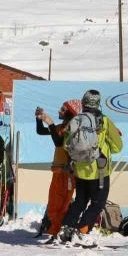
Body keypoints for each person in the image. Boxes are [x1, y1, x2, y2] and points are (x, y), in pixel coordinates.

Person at [59, 90, 123, 245]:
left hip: (80, 170)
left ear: (83, 102)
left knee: (80, 201)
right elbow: (117, 147)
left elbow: (66, 144)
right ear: (98, 103)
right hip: (100, 171)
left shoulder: (76, 120)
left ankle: (67, 228)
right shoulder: (105, 121)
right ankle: (82, 231)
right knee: (98, 203)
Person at [35, 100, 81, 241]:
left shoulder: (70, 128)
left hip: (65, 172)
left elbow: (58, 142)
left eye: (62, 109)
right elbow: (41, 131)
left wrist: (50, 122)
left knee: (58, 204)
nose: (59, 111)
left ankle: (57, 232)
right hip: (61, 172)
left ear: (69, 112)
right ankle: (56, 232)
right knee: (59, 203)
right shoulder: (63, 126)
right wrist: (39, 120)